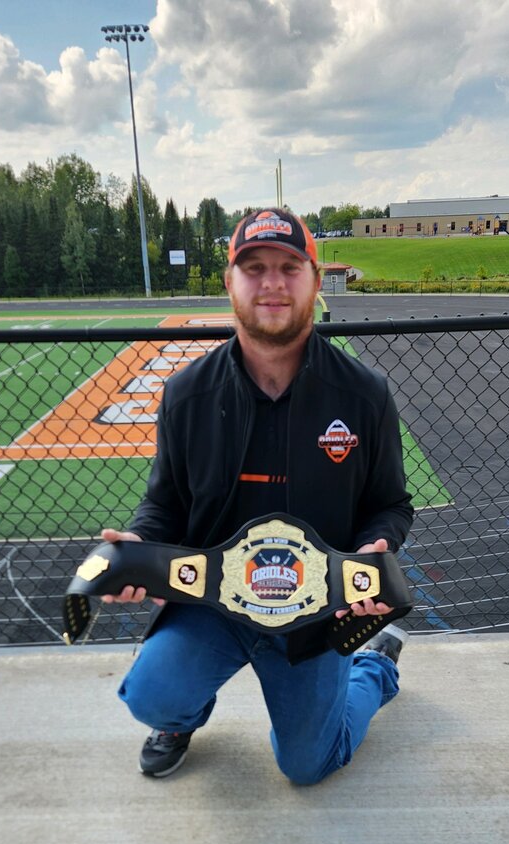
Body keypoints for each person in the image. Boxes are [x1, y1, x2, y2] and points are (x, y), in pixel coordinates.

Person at [101, 207, 414, 785]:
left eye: (289, 267)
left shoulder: (364, 394)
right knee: (151, 696)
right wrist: (141, 543)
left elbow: (391, 503)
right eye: (255, 267)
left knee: (307, 766)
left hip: (315, 612)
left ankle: (373, 669)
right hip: (212, 604)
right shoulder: (187, 393)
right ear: (230, 283)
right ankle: (181, 718)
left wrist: (375, 548)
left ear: (316, 282)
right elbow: (165, 503)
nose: (272, 282)